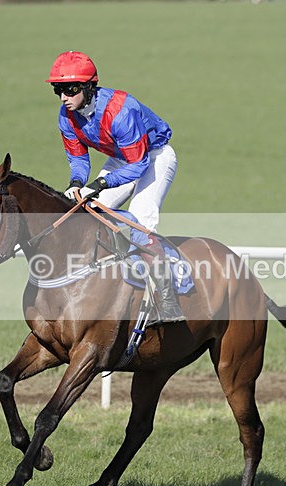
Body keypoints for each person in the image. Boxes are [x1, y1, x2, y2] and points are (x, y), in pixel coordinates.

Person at [45, 51, 185, 324]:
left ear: (88, 87)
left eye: (70, 89)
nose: (64, 97)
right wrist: (76, 183)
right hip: (122, 159)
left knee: (140, 219)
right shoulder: (67, 116)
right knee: (88, 212)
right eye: (58, 90)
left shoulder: (121, 111)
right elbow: (78, 157)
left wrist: (98, 183)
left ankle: (168, 301)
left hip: (153, 157)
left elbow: (139, 165)